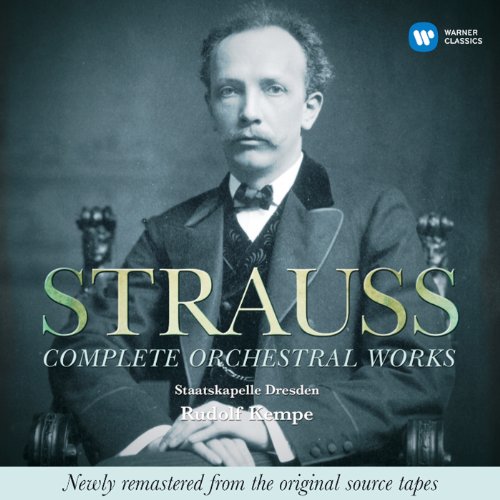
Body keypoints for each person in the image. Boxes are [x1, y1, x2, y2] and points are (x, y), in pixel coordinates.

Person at [49, 3, 454, 466]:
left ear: (310, 108)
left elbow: (414, 371)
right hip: (187, 460)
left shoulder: (375, 214)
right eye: (229, 91)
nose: (249, 112)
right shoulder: (170, 231)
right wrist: (159, 436)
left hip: (313, 467)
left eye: (273, 88)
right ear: (211, 108)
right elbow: (83, 350)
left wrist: (267, 427)